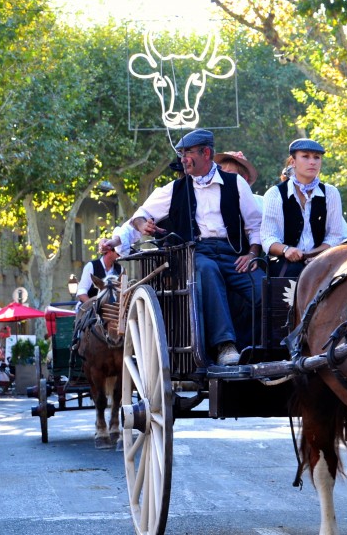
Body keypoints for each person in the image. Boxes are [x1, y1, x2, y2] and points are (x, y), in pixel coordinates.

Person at [101, 128, 265, 366]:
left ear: (206, 153)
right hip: (196, 253)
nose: (182, 159)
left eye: (187, 152)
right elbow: (139, 216)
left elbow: (255, 224)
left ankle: (262, 347)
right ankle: (224, 346)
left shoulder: (235, 183)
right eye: (181, 153)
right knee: (207, 271)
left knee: (262, 287)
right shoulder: (174, 189)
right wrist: (141, 224)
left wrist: (252, 254)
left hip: (234, 254)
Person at [261, 138, 347, 279]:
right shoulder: (275, 194)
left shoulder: (331, 193)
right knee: (293, 273)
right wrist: (286, 250)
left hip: (323, 260)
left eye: (317, 158)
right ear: (293, 162)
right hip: (286, 263)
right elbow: (268, 237)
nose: (312, 162)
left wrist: (315, 255)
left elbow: (334, 236)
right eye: (305, 156)